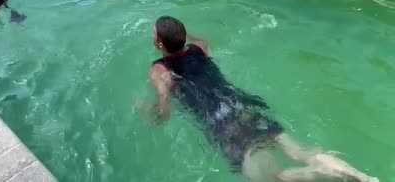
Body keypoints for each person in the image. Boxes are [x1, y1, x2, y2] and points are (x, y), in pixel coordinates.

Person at [146, 15, 379, 182]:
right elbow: (200, 39)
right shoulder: (200, 48)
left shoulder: (160, 70)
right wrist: (186, 34)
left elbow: (164, 110)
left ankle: (316, 173)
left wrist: (149, 111)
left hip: (221, 122)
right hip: (241, 104)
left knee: (272, 179)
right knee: (301, 151)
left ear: (159, 44)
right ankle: (362, 177)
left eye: (154, 34)